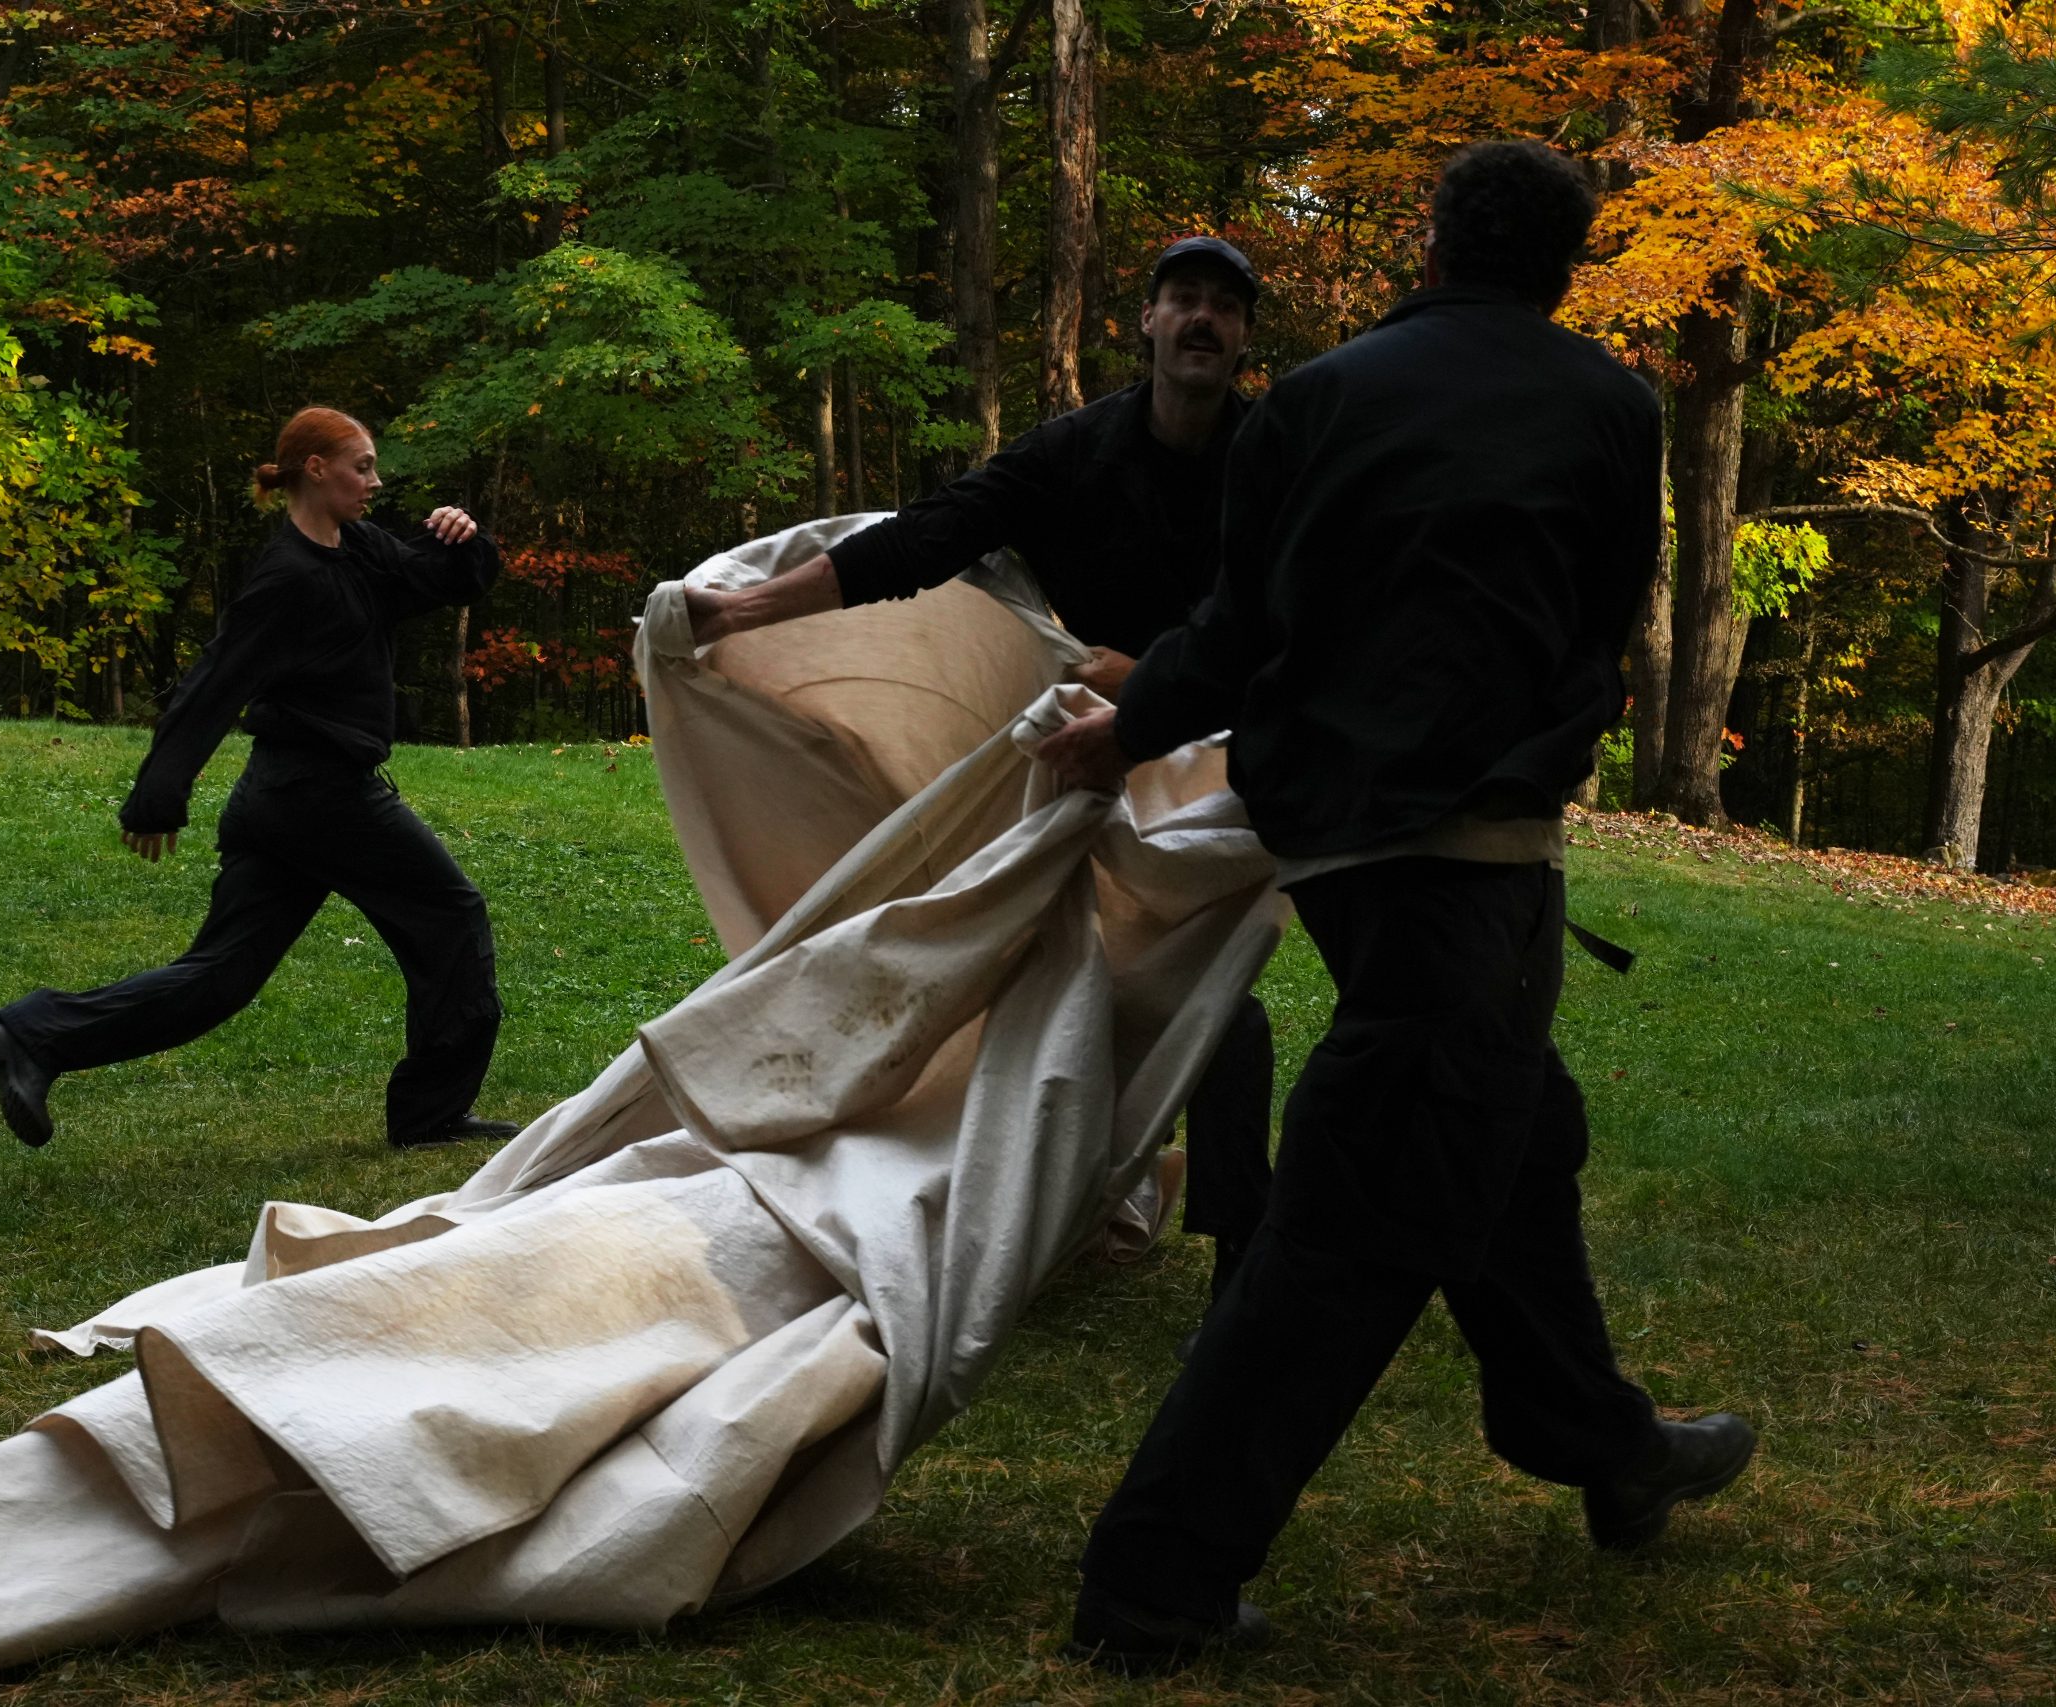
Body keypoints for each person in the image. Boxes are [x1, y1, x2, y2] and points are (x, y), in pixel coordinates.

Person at [1038, 140, 1757, 1673]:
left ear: (1432, 238)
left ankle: (1604, 1440)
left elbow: (1240, 623)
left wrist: (1132, 721)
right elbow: (1602, 609)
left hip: (1350, 864)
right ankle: (1155, 1581)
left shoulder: (1319, 400)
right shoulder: (1611, 406)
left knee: (1512, 1133)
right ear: (1567, 263)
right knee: (1354, 1224)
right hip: (1471, 860)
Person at [685, 235, 1279, 1321]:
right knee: (1043, 975)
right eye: (1181, 301)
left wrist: (1153, 683)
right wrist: (741, 612)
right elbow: (923, 541)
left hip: (1226, 762)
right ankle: (1008, 1199)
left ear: (1243, 336)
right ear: (1143, 324)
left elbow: (1300, 616)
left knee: (1217, 994)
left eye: (1223, 308)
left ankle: (1245, 1249)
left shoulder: (1274, 460)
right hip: (1081, 758)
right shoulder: (1076, 453)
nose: (1200, 321)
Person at [0, 407, 517, 1151]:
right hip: (321, 796)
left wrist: (461, 537)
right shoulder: (287, 577)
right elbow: (216, 680)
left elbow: (433, 580)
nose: (376, 479)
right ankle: (431, 1115)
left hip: (284, 802)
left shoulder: (357, 547)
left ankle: (35, 1034)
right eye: (362, 465)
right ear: (316, 469)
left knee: (221, 977)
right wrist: (158, 793)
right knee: (451, 916)